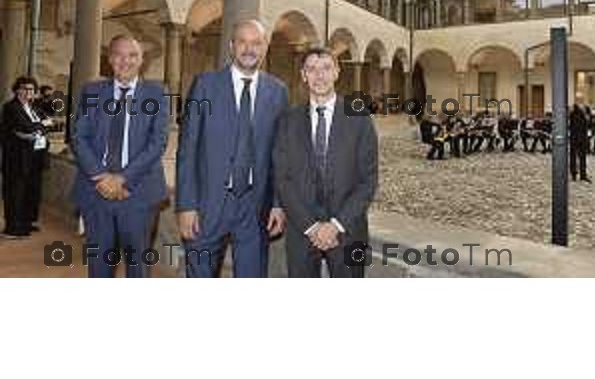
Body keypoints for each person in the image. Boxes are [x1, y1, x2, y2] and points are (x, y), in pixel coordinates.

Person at [176, 19, 289, 278]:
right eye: (242, 42)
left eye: (256, 43)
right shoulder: (205, 85)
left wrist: (277, 204)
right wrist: (186, 205)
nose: (249, 49)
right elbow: (187, 149)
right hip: (207, 205)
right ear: (231, 45)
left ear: (265, 48)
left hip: (254, 207)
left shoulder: (278, 92)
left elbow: (280, 155)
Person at [273, 47, 378, 278]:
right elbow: (282, 178)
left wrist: (335, 226)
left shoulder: (359, 118)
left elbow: (368, 180)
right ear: (303, 75)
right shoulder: (288, 121)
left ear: (337, 72)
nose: (319, 76)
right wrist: (311, 227)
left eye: (326, 68)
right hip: (302, 232)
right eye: (311, 69)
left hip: (348, 230)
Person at [71, 35, 169, 278]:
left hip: (139, 193)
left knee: (137, 266)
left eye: (132, 55)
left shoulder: (157, 94)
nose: (125, 61)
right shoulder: (92, 91)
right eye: (119, 55)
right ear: (109, 58)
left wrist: (122, 179)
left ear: (141, 60)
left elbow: (157, 142)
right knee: (99, 266)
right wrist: (101, 177)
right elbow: (79, 137)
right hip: (96, 193)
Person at [1, 76, 51, 238]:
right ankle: (12, 227)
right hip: (18, 157)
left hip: (35, 155)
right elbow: (25, 126)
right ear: (16, 90)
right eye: (24, 88)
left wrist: (38, 127)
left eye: (31, 89)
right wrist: (40, 126)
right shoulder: (11, 107)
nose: (28, 92)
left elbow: (48, 123)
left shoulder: (34, 107)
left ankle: (25, 222)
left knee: (31, 190)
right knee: (15, 191)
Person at [569, 95, 591, 183]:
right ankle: (573, 174)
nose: (580, 101)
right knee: (573, 156)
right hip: (574, 136)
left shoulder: (587, 108)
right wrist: (570, 111)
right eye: (578, 99)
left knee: (583, 156)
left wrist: (584, 112)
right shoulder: (573, 109)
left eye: (581, 99)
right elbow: (569, 120)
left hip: (583, 136)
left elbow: (589, 120)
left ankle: (583, 175)